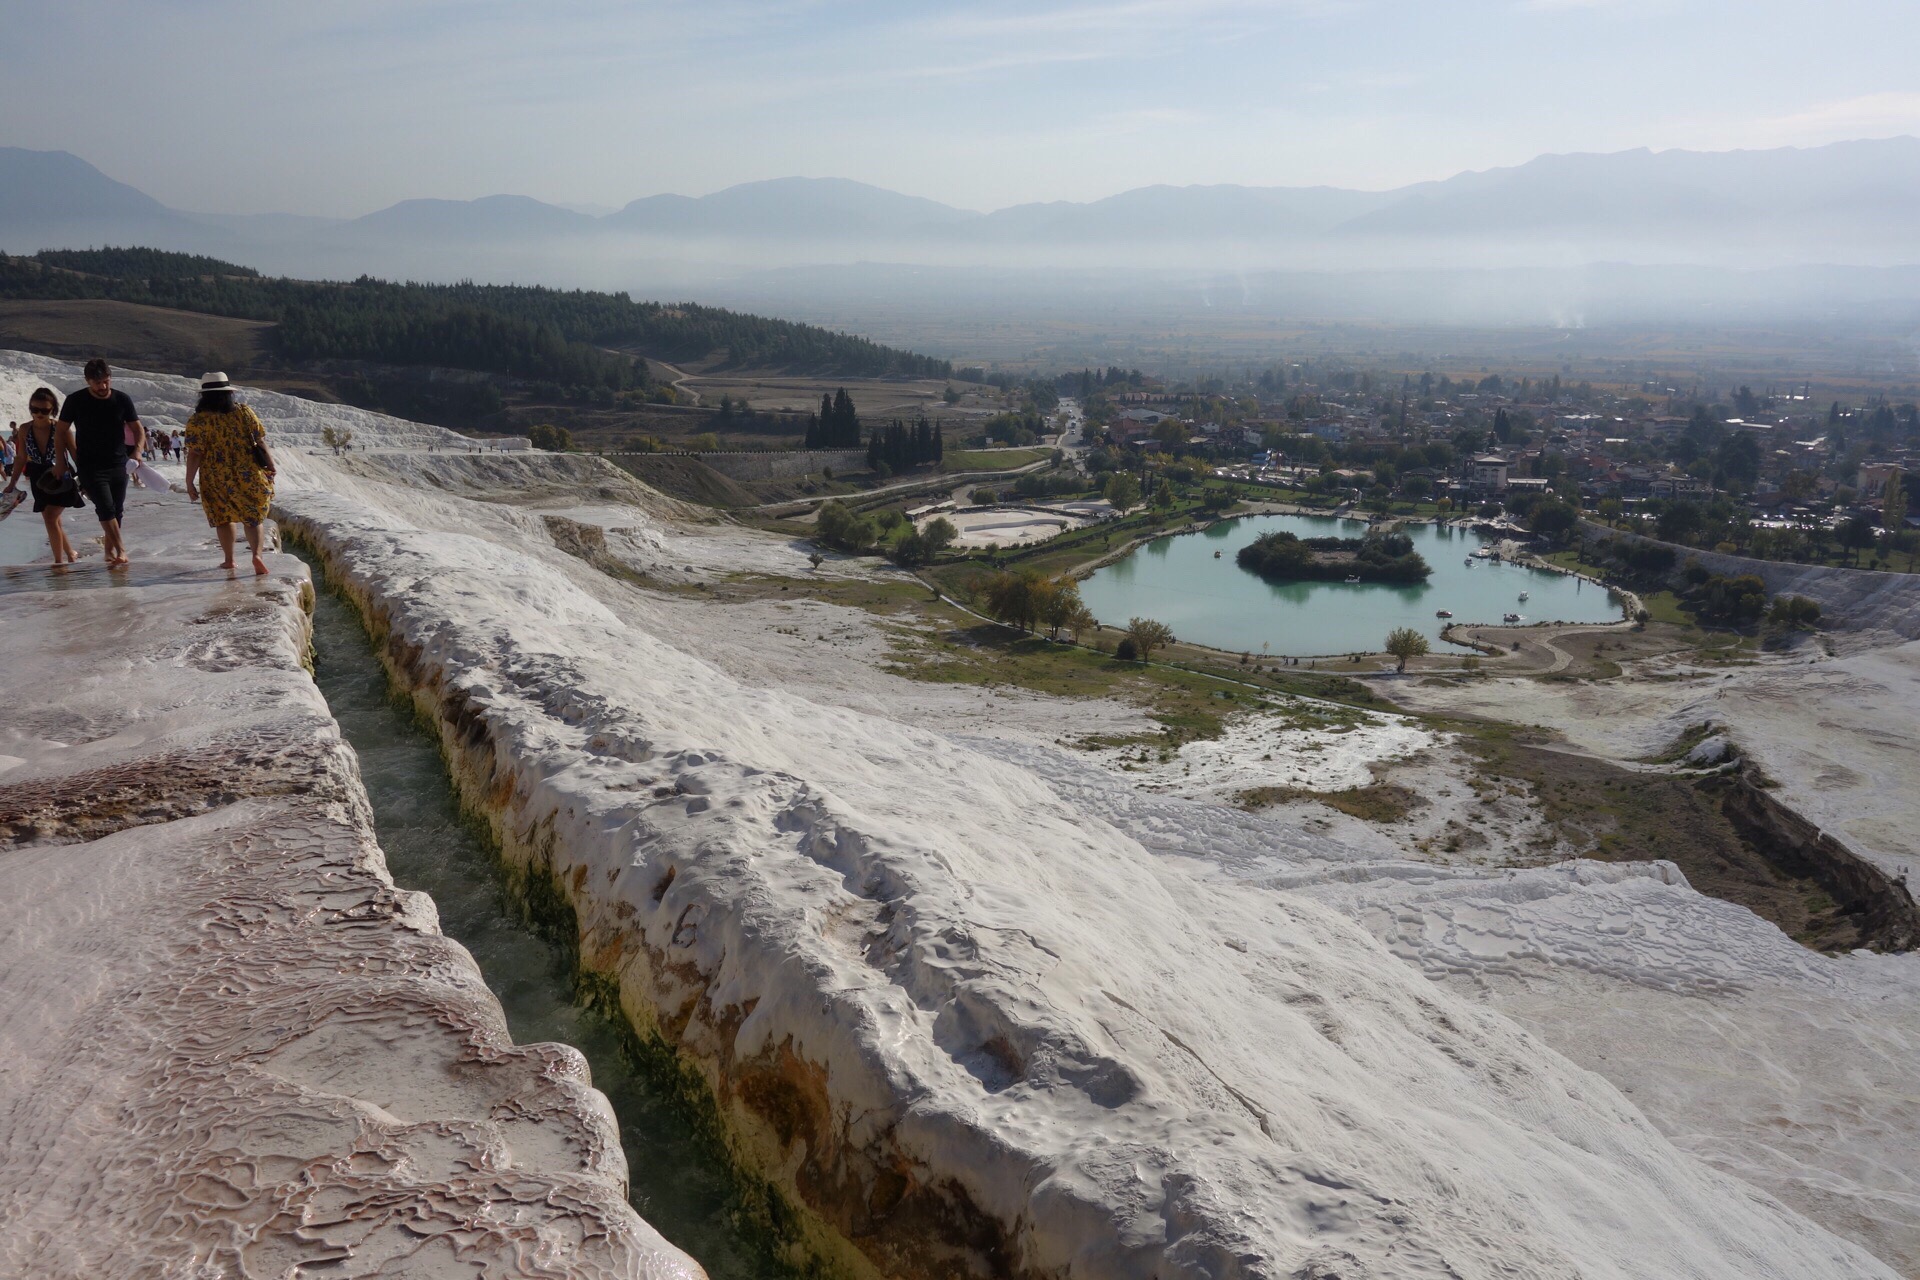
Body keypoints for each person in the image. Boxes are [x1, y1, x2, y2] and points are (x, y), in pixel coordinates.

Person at [183, 372, 275, 575]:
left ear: (204, 396)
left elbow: (195, 453)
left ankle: (229, 560)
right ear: (228, 394)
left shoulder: (198, 421)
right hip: (248, 472)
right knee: (253, 517)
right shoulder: (244, 413)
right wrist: (270, 465)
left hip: (215, 476)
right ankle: (257, 556)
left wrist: (189, 482)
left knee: (223, 518)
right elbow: (260, 441)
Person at [56, 358, 144, 568]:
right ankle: (121, 550)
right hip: (89, 465)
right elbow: (60, 431)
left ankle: (109, 551)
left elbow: (138, 429)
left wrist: (138, 451)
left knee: (117, 509)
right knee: (105, 508)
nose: (103, 386)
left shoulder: (122, 399)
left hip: (118, 463)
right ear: (88, 381)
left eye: (106, 381)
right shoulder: (75, 400)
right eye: (97, 383)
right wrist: (61, 461)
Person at [2, 388, 84, 564]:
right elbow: (21, 457)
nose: (39, 414)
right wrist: (12, 483)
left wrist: (85, 478)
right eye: (34, 409)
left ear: (53, 410)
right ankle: (70, 554)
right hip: (38, 477)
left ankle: (58, 562)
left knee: (50, 517)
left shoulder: (61, 429)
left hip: (60, 476)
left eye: (44, 410)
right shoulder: (24, 429)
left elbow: (74, 453)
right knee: (53, 519)